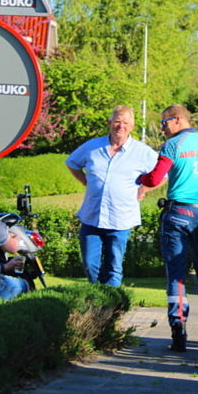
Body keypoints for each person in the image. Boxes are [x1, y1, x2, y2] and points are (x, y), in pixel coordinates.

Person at [139, 105, 198, 352]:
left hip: (177, 213)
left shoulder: (172, 146)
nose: (163, 128)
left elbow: (156, 179)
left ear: (178, 119)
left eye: (165, 123)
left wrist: (141, 179)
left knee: (176, 273)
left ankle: (178, 328)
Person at [66, 105, 158, 287]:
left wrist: (144, 189)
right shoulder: (93, 146)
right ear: (109, 123)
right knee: (90, 266)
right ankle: (96, 300)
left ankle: (112, 308)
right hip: (92, 216)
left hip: (120, 218)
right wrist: (86, 182)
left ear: (132, 126)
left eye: (125, 122)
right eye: (117, 121)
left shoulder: (142, 151)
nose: (120, 126)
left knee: (113, 268)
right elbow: (72, 163)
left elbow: (163, 174)